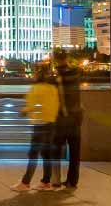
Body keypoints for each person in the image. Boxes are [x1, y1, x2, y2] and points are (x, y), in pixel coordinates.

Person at [18, 63, 61, 191]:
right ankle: (46, 182)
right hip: (51, 123)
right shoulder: (52, 88)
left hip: (39, 124)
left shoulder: (35, 89)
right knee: (46, 154)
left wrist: (24, 111)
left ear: (37, 75)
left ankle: (25, 183)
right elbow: (56, 104)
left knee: (33, 154)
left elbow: (32, 105)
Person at [53, 60, 86, 189]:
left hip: (62, 120)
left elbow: (59, 100)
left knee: (55, 150)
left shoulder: (59, 81)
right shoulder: (76, 79)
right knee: (75, 153)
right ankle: (72, 181)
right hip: (76, 120)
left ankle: (55, 180)